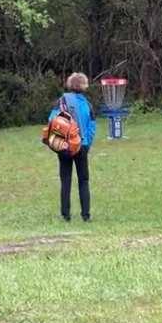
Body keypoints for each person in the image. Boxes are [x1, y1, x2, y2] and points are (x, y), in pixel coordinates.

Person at [49, 73, 96, 221]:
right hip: (81, 145)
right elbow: (92, 126)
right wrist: (86, 143)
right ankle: (86, 215)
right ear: (84, 86)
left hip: (64, 146)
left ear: (70, 85)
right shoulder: (87, 104)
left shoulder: (61, 102)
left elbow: (52, 120)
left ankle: (66, 214)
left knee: (66, 179)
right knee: (83, 180)